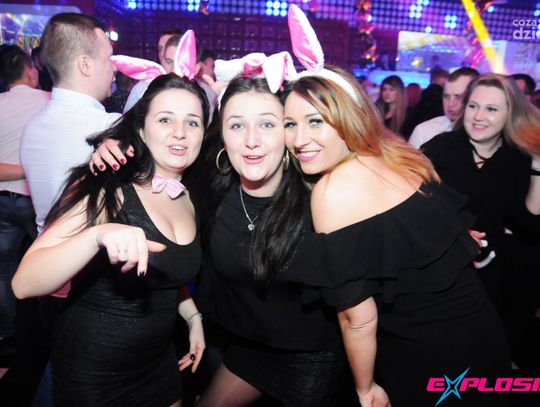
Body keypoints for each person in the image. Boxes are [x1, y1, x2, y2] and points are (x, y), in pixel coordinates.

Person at [91, 75, 347, 407]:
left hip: (312, 356)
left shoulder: (322, 196)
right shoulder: (207, 184)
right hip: (244, 347)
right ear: (222, 135)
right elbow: (158, 151)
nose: (251, 141)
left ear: (287, 131)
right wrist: (116, 147)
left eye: (267, 125)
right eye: (237, 126)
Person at [282, 66, 511, 406]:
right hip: (485, 339)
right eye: (290, 124)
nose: (299, 139)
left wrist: (365, 388)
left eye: (315, 121)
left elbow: (357, 320)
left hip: (434, 362)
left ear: (350, 117)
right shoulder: (397, 155)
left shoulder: (333, 190)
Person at [12, 73, 209, 406]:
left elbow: (165, 272)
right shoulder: (108, 186)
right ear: (142, 129)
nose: (180, 132)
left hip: (159, 364)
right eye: (165, 119)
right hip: (95, 372)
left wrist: (193, 317)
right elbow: (24, 283)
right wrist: (97, 236)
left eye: (193, 122)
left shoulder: (191, 196)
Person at [409, 67, 479, 148]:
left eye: (458, 97)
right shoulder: (424, 132)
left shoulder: (486, 133)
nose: (450, 104)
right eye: (446, 96)